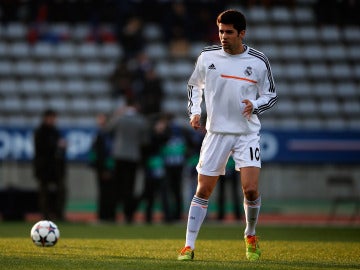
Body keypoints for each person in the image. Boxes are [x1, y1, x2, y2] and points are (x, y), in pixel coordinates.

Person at [178, 9, 277, 262]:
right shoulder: (207, 56)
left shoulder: (258, 61)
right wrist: (194, 112)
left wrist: (254, 105)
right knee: (203, 190)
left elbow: (271, 95)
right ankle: (188, 246)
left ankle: (250, 234)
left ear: (242, 33)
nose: (223, 36)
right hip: (216, 133)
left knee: (251, 189)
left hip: (247, 134)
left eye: (229, 32)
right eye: (221, 31)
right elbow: (193, 85)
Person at [105, 97, 149, 224]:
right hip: (133, 157)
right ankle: (128, 215)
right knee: (130, 188)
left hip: (118, 155)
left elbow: (107, 129)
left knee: (116, 186)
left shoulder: (119, 118)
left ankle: (112, 215)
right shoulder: (141, 120)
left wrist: (116, 115)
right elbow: (145, 141)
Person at [33, 109, 67, 221]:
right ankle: (45, 215)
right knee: (44, 192)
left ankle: (58, 214)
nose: (53, 120)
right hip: (44, 167)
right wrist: (56, 145)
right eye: (51, 118)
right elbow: (42, 148)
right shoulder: (39, 132)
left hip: (56, 168)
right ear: (46, 118)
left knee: (61, 190)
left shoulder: (55, 131)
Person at [88, 113, 116, 222]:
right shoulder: (101, 134)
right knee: (105, 192)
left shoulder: (106, 135)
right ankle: (107, 215)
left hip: (106, 167)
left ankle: (105, 216)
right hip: (103, 167)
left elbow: (104, 153)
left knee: (107, 192)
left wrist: (105, 169)